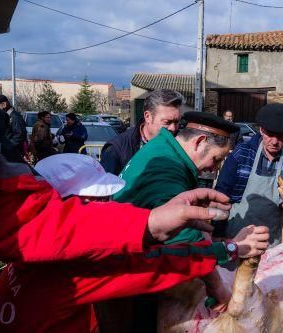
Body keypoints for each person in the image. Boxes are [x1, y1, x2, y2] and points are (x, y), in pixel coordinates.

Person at [0, 1, 237, 302]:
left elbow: (38, 221)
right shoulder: (67, 273)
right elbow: (147, 266)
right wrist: (226, 250)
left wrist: (150, 223)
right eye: (97, 199)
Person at [0, 154, 239, 333]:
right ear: (64, 207)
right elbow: (152, 265)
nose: (109, 206)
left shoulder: (28, 250)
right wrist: (228, 249)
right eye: (97, 201)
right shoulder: (69, 268)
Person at [101, 111, 269, 332]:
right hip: (132, 280)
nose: (215, 168)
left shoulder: (163, 149)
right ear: (199, 142)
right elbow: (183, 242)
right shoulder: (168, 169)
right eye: (217, 158)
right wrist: (224, 270)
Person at [215, 103, 283, 246]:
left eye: (281, 136)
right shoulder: (242, 154)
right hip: (237, 238)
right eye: (270, 135)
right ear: (261, 130)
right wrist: (217, 234)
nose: (275, 142)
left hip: (273, 242)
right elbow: (221, 195)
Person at [100, 89, 182, 175]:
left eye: (177, 122)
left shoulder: (181, 143)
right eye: (167, 122)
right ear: (148, 117)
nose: (173, 128)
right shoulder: (116, 150)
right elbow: (105, 186)